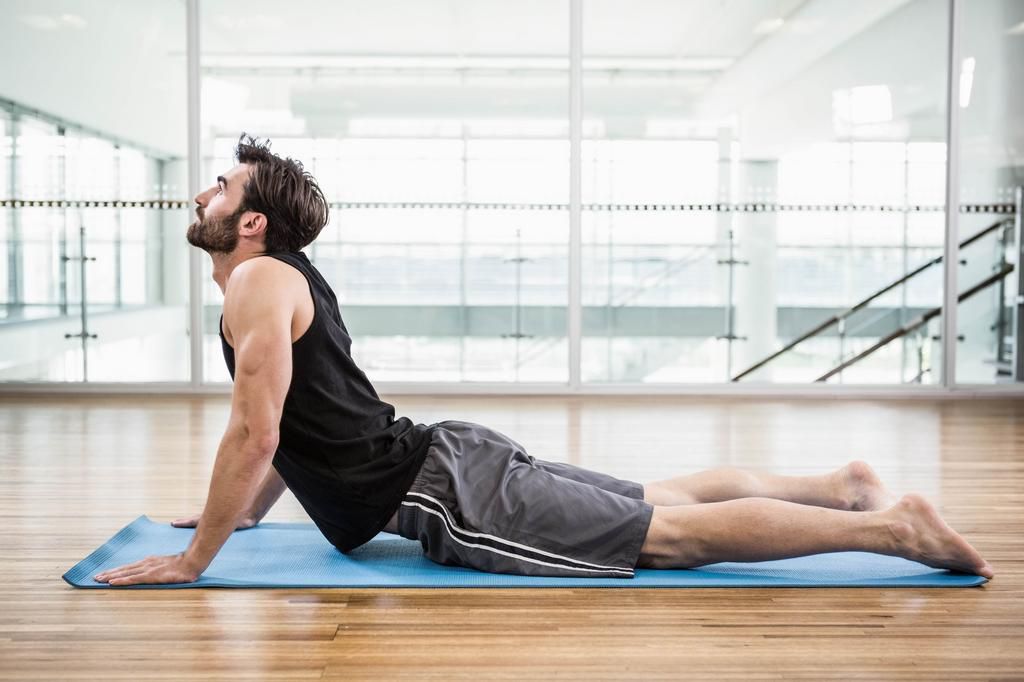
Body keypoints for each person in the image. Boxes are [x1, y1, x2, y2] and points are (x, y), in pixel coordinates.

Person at [94, 135, 994, 586]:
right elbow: (285, 429)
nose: (206, 191)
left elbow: (256, 430)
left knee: (669, 537)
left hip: (448, 491)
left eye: (223, 185)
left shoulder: (253, 285)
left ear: (250, 223)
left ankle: (890, 530)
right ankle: (840, 484)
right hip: (447, 458)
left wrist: (194, 561)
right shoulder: (274, 280)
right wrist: (243, 520)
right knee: (659, 498)